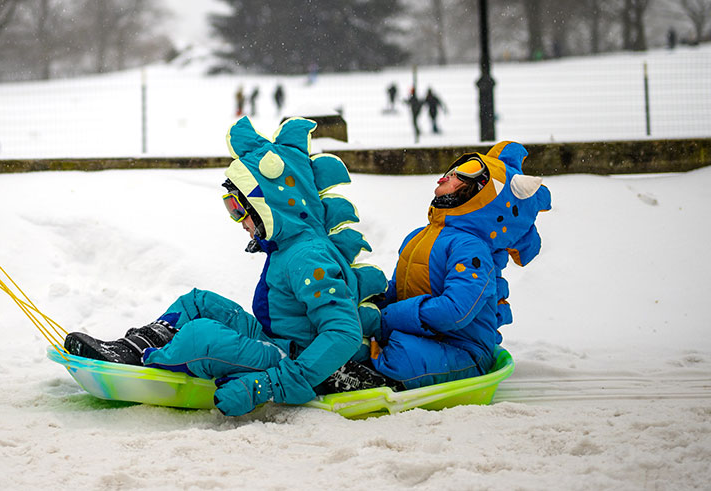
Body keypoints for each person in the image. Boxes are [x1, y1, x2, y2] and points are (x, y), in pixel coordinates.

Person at [65, 117, 390, 416]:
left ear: (269, 206)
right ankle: (132, 348)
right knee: (198, 302)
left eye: (239, 208)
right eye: (229, 207)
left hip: (303, 362)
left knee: (200, 337)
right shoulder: (288, 247)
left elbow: (343, 333)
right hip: (274, 340)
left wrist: (269, 385)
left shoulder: (309, 257)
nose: (238, 220)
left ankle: (146, 364)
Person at [369, 143, 551, 389]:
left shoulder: (470, 248)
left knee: (404, 356)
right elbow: (399, 290)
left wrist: (386, 319)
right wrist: (368, 302)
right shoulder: (418, 236)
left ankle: (362, 377)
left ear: (485, 192)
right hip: (420, 336)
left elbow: (455, 311)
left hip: (462, 352)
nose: (448, 175)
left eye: (464, 172)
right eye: (453, 168)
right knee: (359, 335)